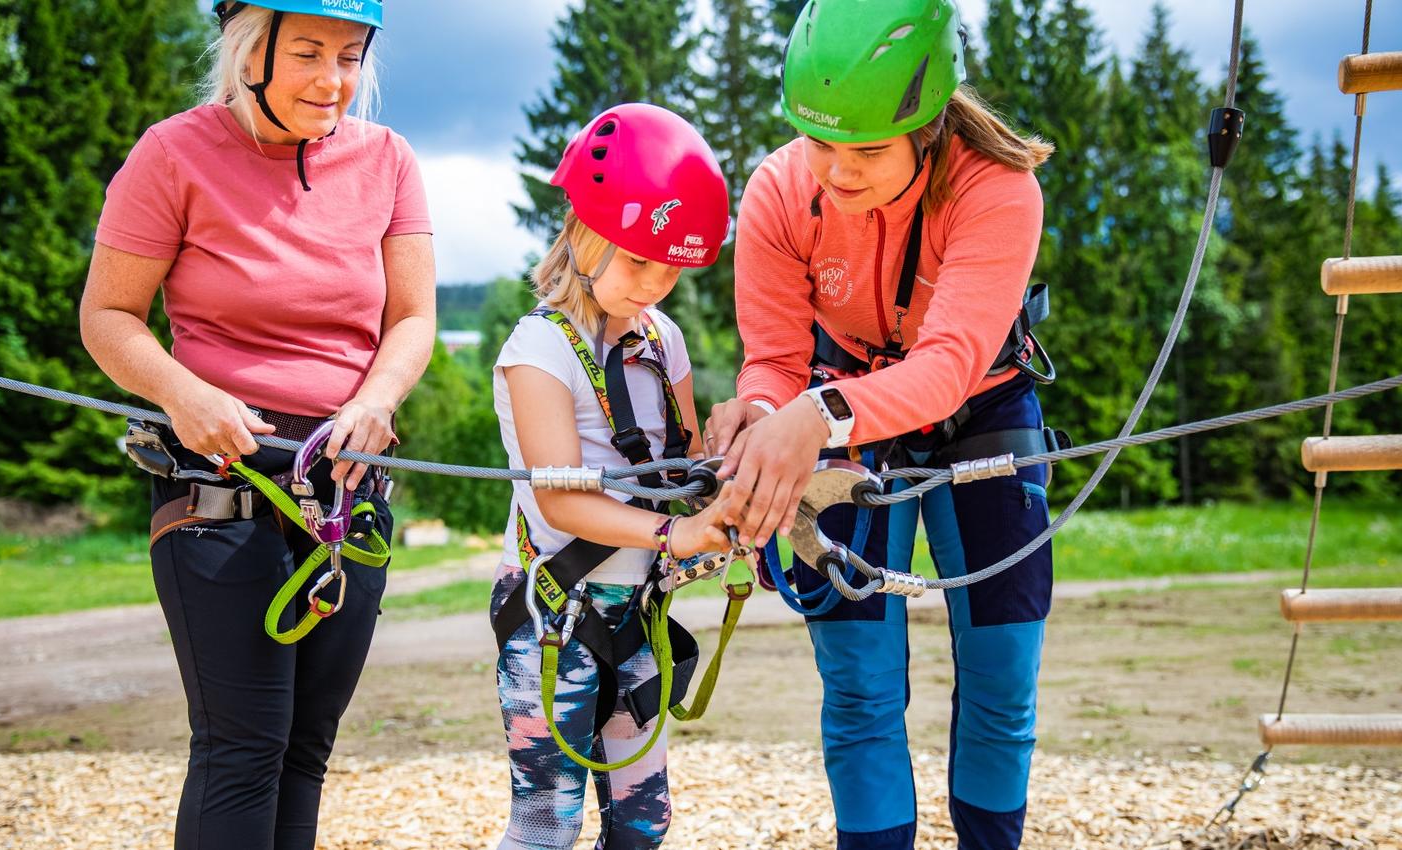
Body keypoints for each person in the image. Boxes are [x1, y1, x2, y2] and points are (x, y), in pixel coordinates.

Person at [78, 1, 435, 847]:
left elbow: (414, 317)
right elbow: (108, 317)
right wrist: (183, 394)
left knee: (306, 751)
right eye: (308, 52)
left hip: (346, 489)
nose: (333, 79)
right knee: (243, 749)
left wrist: (377, 399)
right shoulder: (172, 154)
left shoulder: (388, 160)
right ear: (249, 53)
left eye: (350, 56)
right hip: (220, 485)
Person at [707, 1, 1058, 848]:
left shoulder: (996, 187)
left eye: (868, 151)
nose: (837, 172)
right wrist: (762, 419)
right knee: (859, 683)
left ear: (928, 130)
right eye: (820, 142)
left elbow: (947, 367)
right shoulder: (779, 189)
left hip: (980, 403)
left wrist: (809, 417)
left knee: (1003, 674)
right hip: (839, 404)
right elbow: (775, 359)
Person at [488, 102, 735, 850]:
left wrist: (729, 480)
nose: (655, 284)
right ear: (584, 234)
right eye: (638, 262)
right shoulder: (539, 347)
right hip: (554, 610)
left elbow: (684, 463)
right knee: (547, 823)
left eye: (671, 268)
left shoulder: (663, 340)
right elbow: (561, 502)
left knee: (643, 819)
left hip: (636, 609)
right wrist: (675, 535)